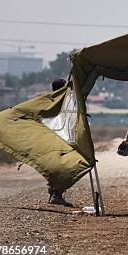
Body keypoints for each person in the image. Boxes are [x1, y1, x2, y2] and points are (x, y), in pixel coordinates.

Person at [47, 78, 73, 207]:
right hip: (61, 137)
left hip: (51, 138)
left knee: (53, 165)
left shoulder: (49, 100)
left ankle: (53, 192)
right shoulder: (62, 101)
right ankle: (56, 194)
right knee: (63, 166)